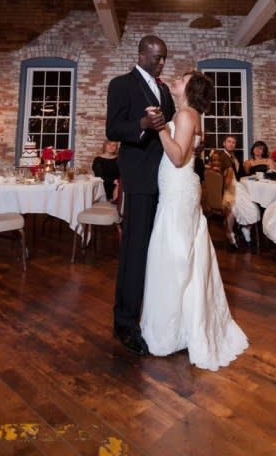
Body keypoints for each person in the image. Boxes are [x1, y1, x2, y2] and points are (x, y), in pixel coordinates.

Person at [140, 71, 248, 371]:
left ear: (190, 88)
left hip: (178, 192)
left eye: (181, 78)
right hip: (177, 190)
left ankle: (174, 330)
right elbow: (188, 152)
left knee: (175, 254)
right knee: (182, 252)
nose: (175, 79)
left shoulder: (186, 114)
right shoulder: (187, 114)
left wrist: (161, 128)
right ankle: (185, 323)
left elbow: (176, 157)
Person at [106, 35, 175, 355]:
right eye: (156, 57)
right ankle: (125, 323)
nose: (160, 62)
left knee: (158, 250)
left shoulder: (163, 90)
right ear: (141, 53)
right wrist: (143, 123)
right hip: (139, 180)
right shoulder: (122, 84)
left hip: (165, 179)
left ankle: (153, 313)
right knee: (135, 251)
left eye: (164, 57)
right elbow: (113, 128)